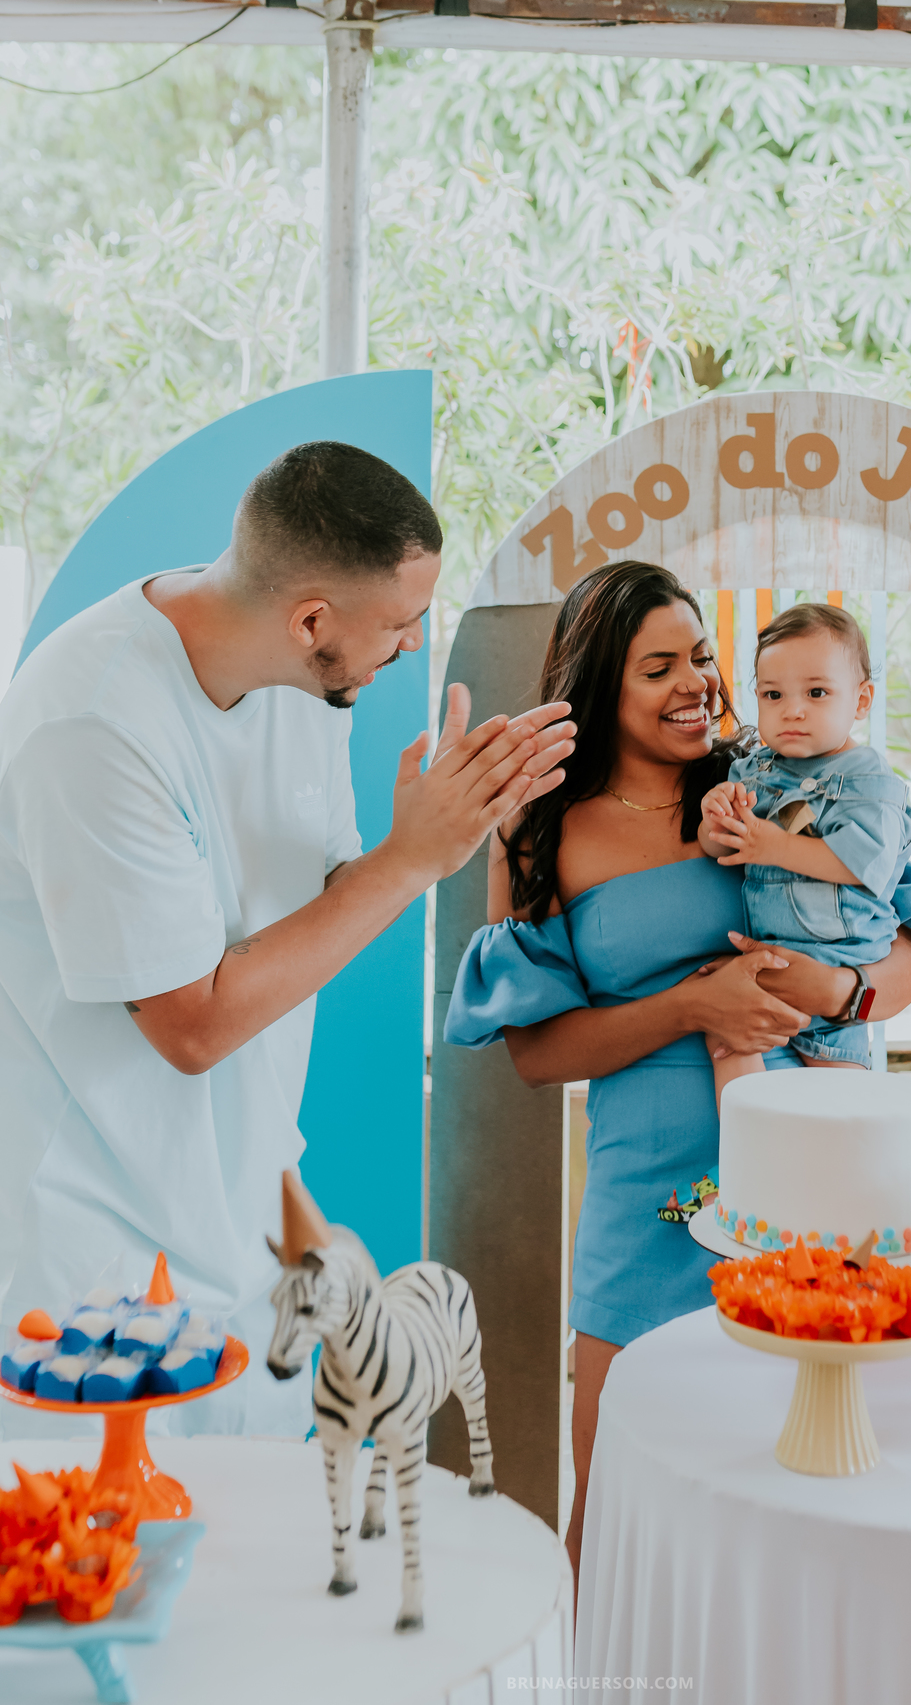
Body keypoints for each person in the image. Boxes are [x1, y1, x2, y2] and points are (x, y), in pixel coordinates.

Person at [0, 441, 573, 1436]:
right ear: (311, 619)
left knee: (255, 1526)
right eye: (399, 623)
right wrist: (410, 863)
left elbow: (321, 906)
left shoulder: (313, 687)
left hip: (247, 1232)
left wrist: (434, 834)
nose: (412, 644)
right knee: (113, 1527)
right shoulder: (90, 722)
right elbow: (191, 1025)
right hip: (89, 1245)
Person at [442, 561, 911, 1579]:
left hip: (811, 1187)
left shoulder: (785, 781)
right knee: (614, 1518)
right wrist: (692, 1008)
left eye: (704, 656)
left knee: (813, 1505)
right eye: (659, 667)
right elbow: (538, 1055)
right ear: (601, 686)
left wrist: (835, 991)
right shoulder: (541, 830)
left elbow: (910, 959)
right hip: (645, 1202)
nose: (697, 684)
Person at [699, 602, 911, 1103]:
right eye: (773, 694)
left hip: (837, 963)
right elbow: (720, 848)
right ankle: (749, 1140)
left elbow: (859, 865)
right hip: (768, 963)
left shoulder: (869, 781)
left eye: (817, 693)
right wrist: (714, 819)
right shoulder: (753, 771)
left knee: (838, 1104)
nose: (793, 710)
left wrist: (775, 845)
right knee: (728, 1034)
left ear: (861, 700)